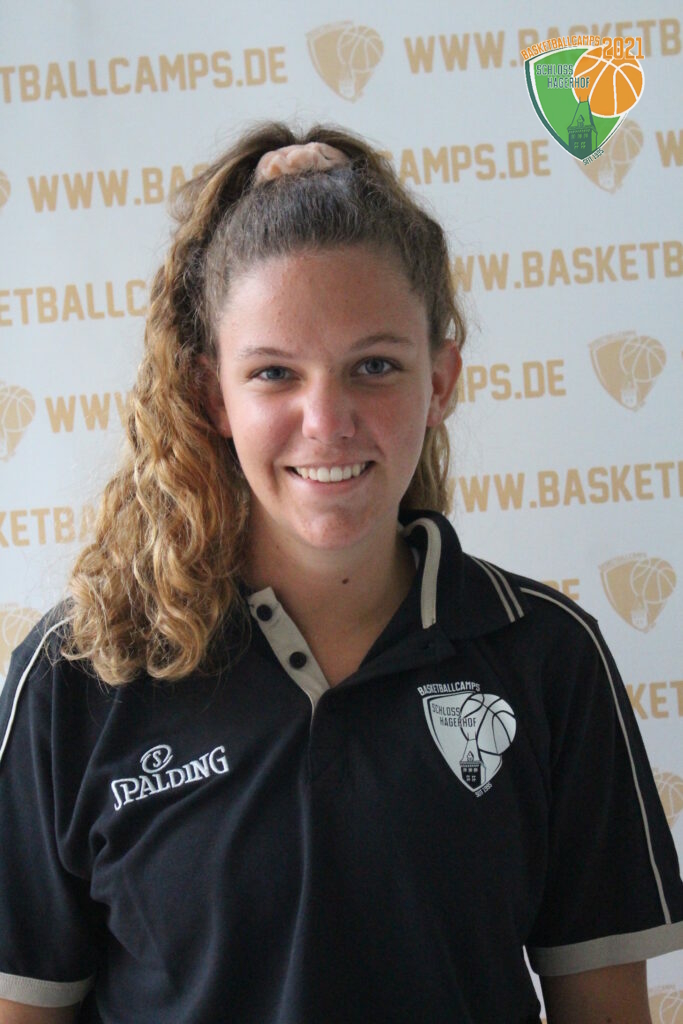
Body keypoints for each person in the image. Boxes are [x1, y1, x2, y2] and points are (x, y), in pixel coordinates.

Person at [0, 122, 680, 1024]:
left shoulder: (548, 657)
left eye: (374, 366)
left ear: (440, 382)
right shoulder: (81, 670)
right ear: (211, 395)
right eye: (274, 373)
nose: (326, 421)